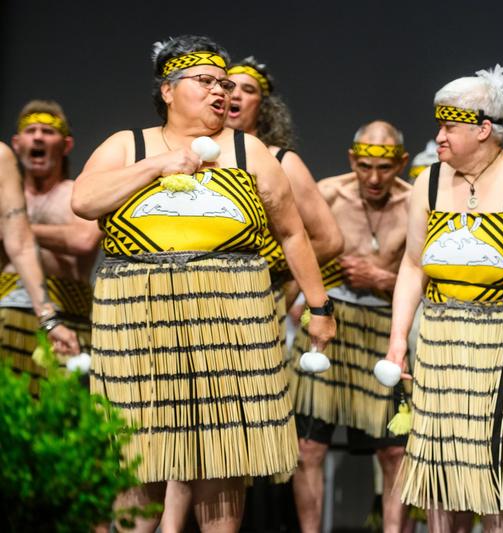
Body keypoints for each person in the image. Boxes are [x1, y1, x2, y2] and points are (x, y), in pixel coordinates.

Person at [71, 35, 335, 533]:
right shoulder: (129, 145)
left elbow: (292, 232)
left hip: (231, 315)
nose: (221, 92)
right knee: (141, 453)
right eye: (206, 81)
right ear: (168, 90)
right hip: (140, 318)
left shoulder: (247, 149)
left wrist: (319, 307)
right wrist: (158, 165)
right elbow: (84, 201)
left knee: (223, 452)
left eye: (225, 84)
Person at [383, 64, 503, 532]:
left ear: (483, 129)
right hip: (440, 338)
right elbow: (413, 265)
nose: (439, 137)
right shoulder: (430, 182)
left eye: (448, 127)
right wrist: (398, 340)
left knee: (497, 467)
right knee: (440, 463)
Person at [289, 120, 411, 533]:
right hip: (330, 323)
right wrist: (297, 301)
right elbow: (294, 247)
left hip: (382, 324)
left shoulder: (415, 204)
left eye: (384, 168)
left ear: (401, 164)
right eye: (364, 167)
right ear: (351, 160)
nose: (373, 178)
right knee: (308, 444)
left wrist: (382, 279)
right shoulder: (328, 193)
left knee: (395, 450)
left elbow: (425, 273)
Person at [226, 56, 343, 344]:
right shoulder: (197, 156)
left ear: (263, 107)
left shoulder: (281, 161)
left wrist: (282, 281)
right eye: (228, 86)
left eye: (248, 89)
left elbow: (329, 240)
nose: (236, 94)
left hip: (254, 299)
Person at [0, 101, 101, 394]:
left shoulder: (77, 194)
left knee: (62, 413)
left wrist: (14, 228)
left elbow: (83, 240)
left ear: (66, 145)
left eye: (48, 131)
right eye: (30, 131)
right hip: (7, 315)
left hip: (68, 318)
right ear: (16, 144)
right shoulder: (5, 194)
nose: (38, 137)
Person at [0, 141, 79, 360]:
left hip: (68, 305)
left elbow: (21, 243)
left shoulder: (1, 157)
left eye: (47, 131)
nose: (38, 138)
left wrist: (48, 319)